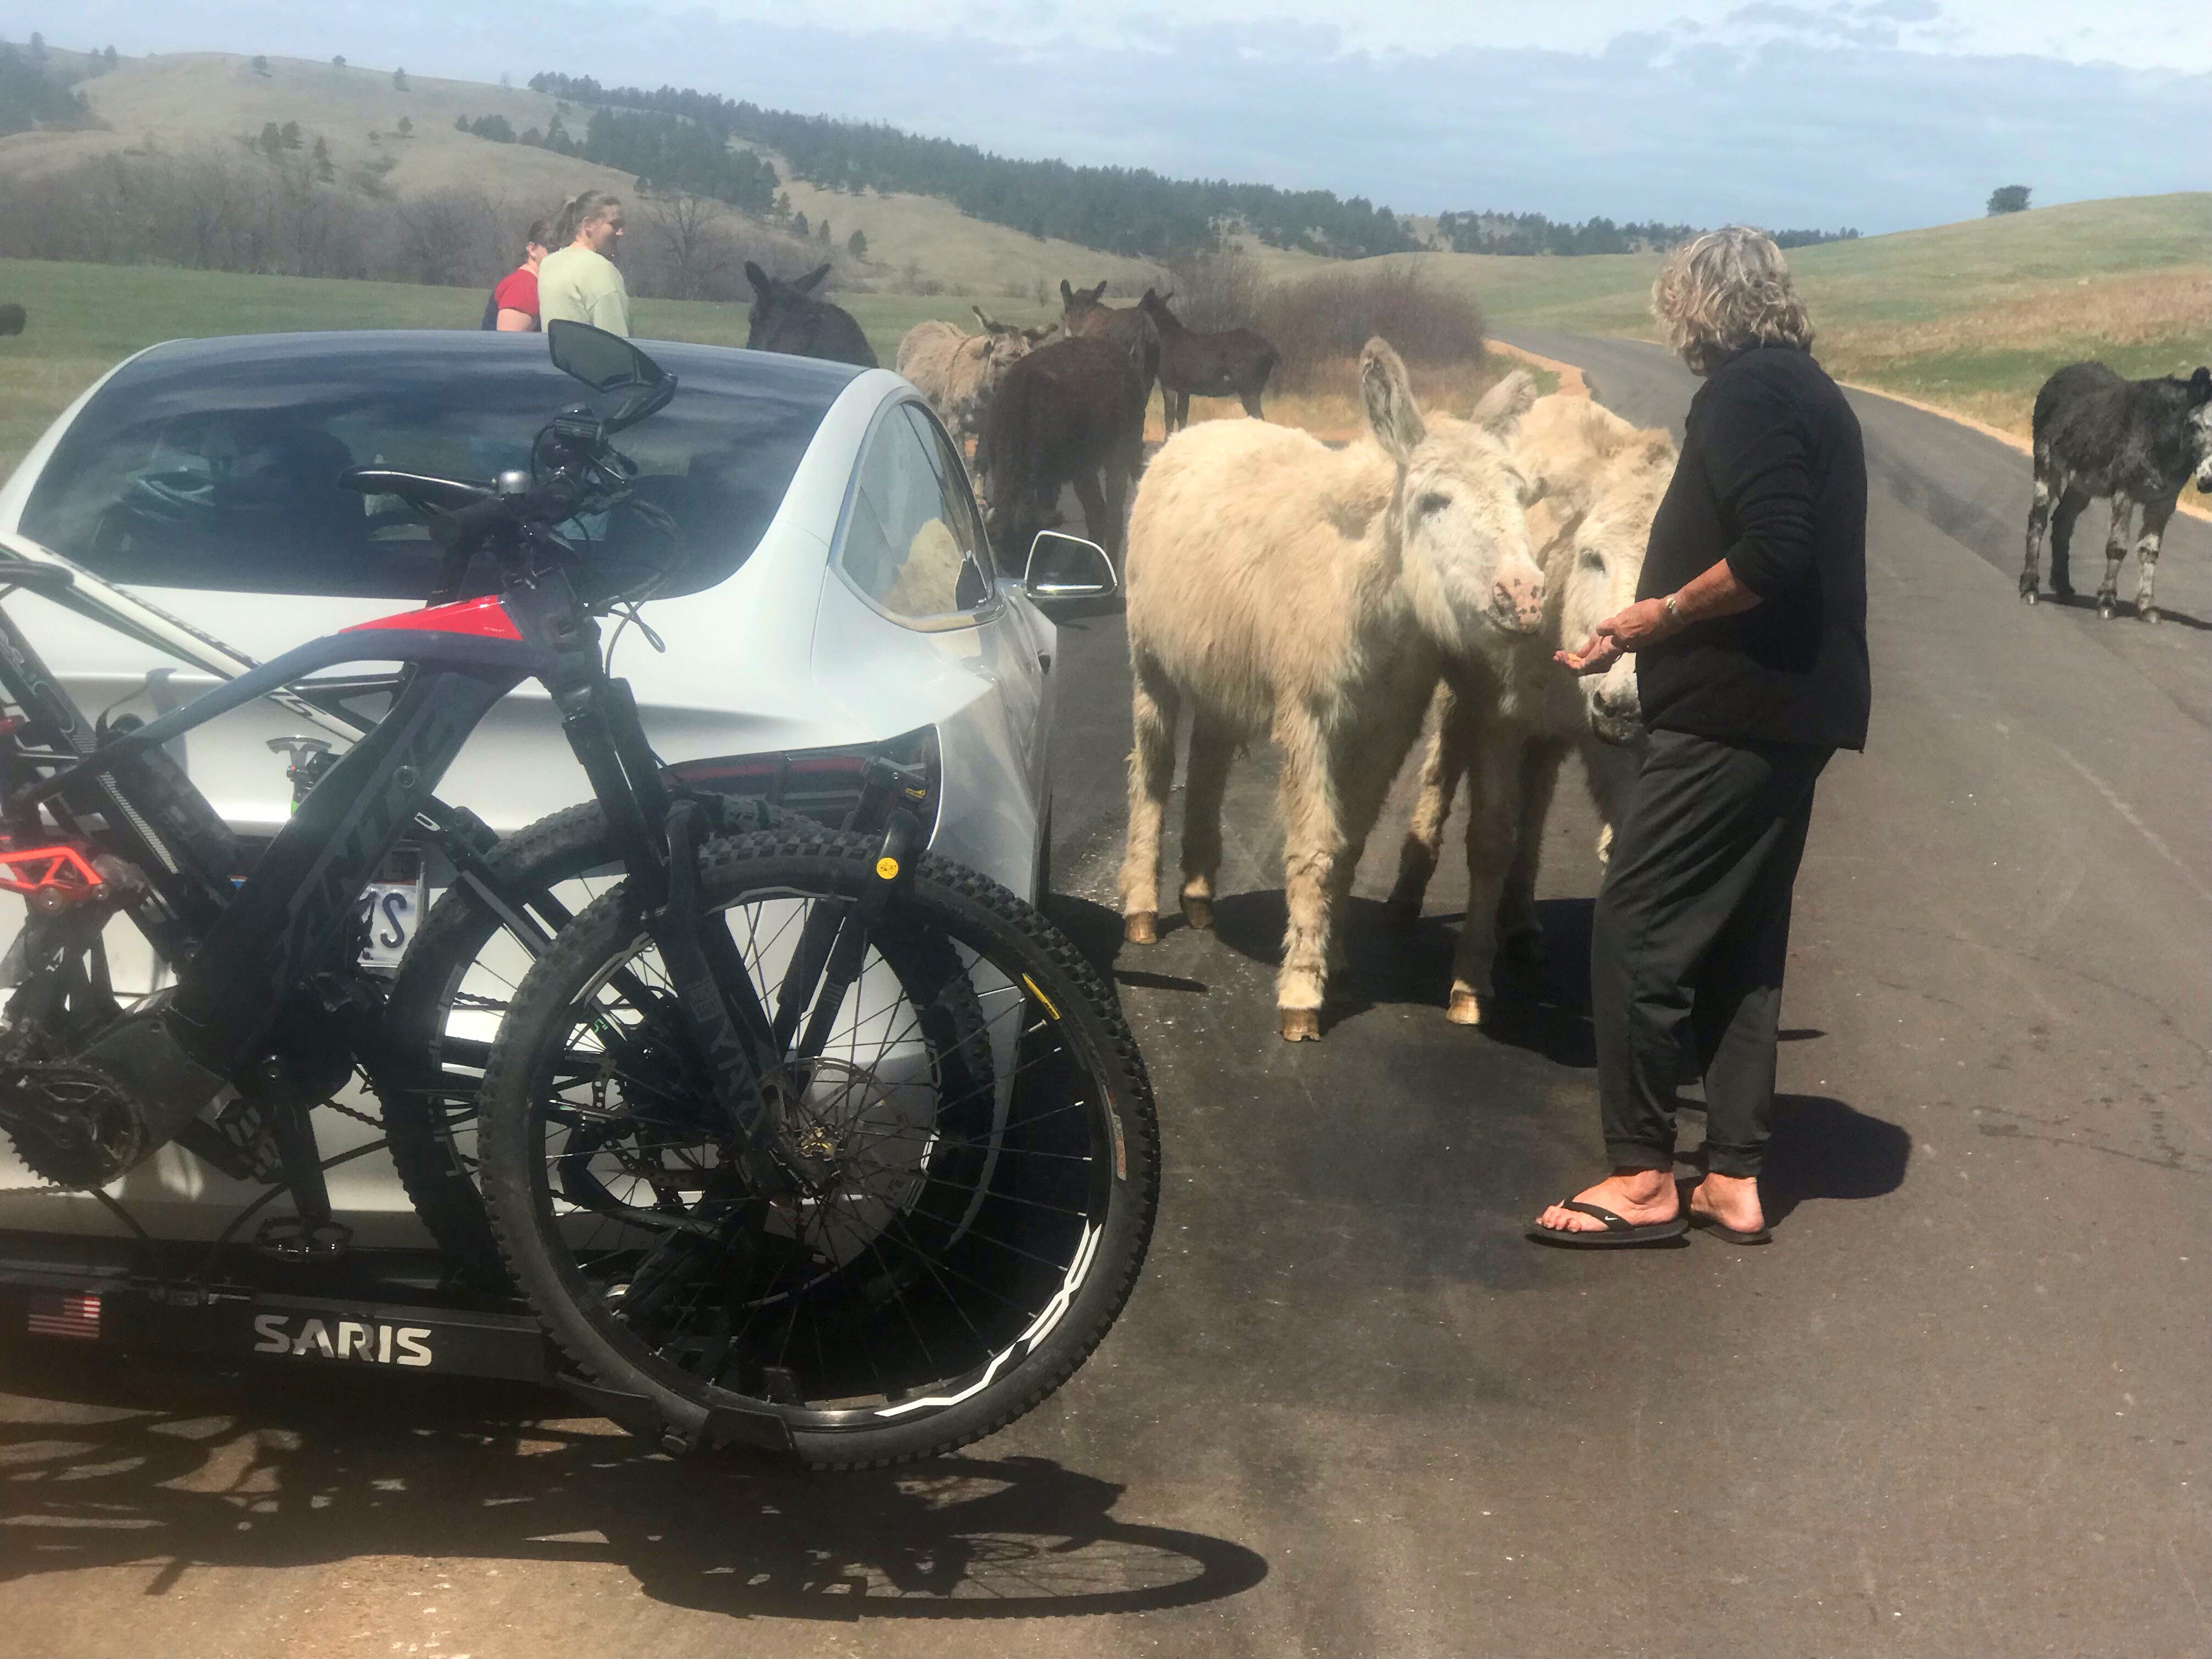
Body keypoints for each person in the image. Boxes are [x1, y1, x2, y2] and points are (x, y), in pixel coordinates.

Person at [1530, 226, 1870, 1249]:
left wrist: (1655, 616)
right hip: (1789, 713)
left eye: (1675, 306)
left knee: (1633, 922)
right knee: (1740, 938)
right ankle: (1733, 1176)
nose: (1672, 326)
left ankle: (1640, 1175)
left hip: (1734, 710)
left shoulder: (1746, 393)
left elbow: (1771, 551)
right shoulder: (1809, 389)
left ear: (1699, 307)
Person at [535, 191, 631, 337]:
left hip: (558, 359)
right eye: (614, 225)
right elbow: (619, 343)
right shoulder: (601, 269)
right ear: (589, 225)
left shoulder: (549, 264)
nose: (621, 233)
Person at [479, 218, 552, 331]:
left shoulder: (530, 282)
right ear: (532, 250)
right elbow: (508, 346)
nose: (560, 254)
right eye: (553, 248)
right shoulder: (524, 287)